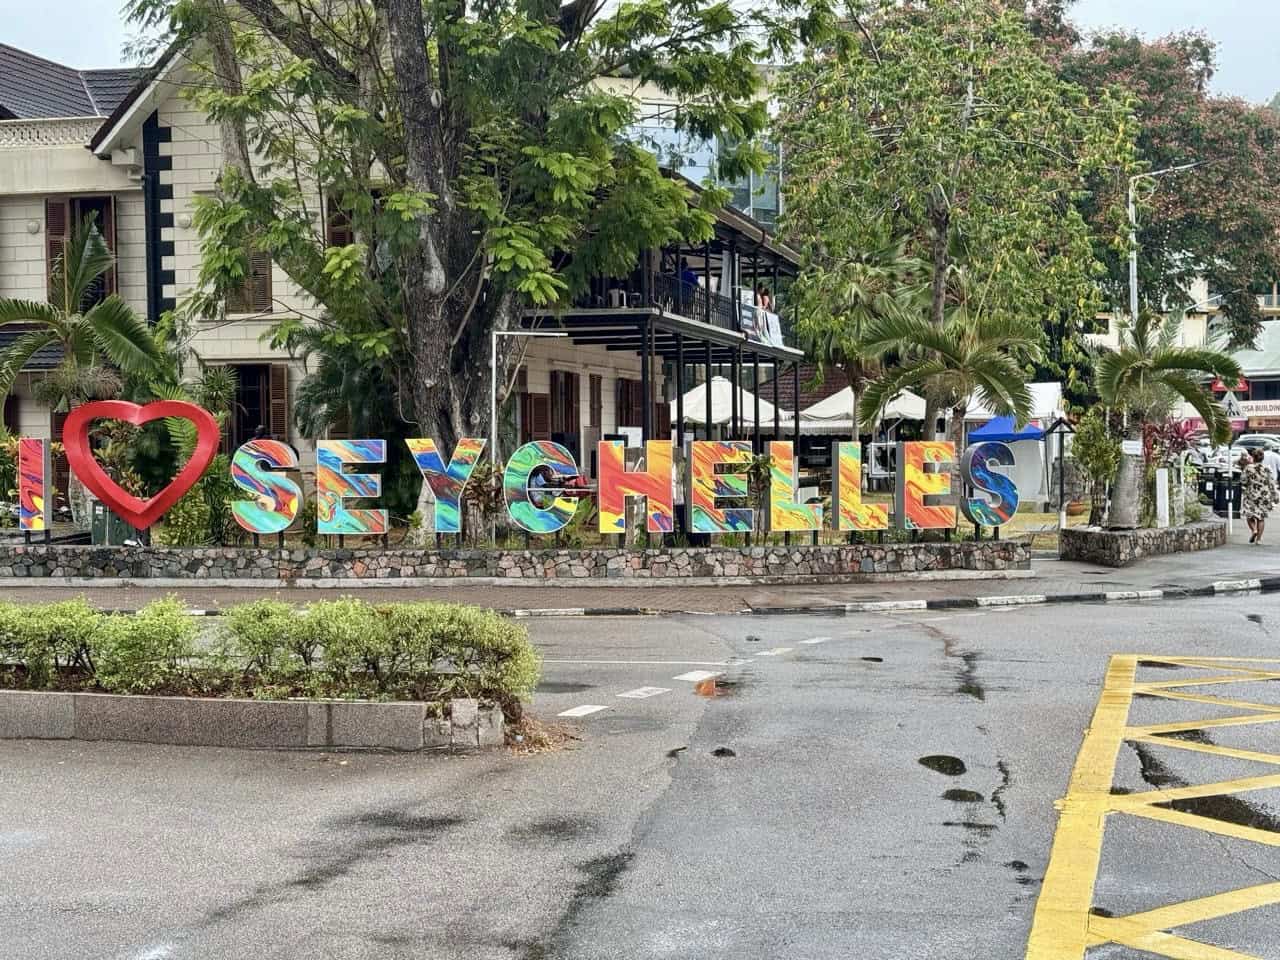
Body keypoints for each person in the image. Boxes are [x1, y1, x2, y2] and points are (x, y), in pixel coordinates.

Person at [1241, 448, 1278, 544]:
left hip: (1251, 495)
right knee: (1261, 518)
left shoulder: (1248, 468)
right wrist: (1275, 496)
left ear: (1253, 457)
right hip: (1264, 496)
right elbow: (1272, 483)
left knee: (1249, 515)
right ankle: (1259, 540)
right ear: (1263, 458)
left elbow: (1243, 481)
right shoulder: (1267, 469)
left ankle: (1254, 530)